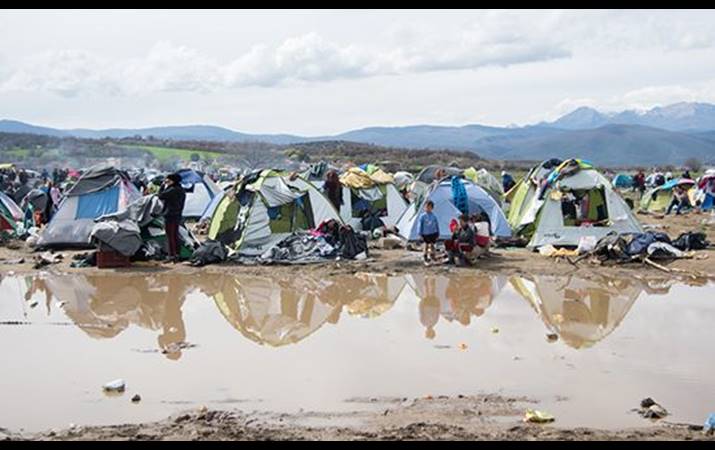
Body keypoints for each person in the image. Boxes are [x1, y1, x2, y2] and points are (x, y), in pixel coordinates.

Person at [158, 173, 186, 262]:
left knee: (170, 236)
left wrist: (162, 185)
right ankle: (177, 254)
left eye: (168, 180)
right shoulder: (180, 189)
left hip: (170, 215)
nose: (166, 181)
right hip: (177, 215)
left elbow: (160, 195)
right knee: (175, 235)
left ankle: (172, 256)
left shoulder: (173, 190)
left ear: (173, 181)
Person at [417, 200, 440, 265]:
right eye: (426, 207)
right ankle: (425, 256)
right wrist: (419, 233)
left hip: (433, 232)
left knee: (432, 245)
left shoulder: (434, 216)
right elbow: (420, 225)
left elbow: (436, 224)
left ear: (432, 208)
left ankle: (433, 256)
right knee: (426, 245)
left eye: (429, 207)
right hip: (425, 233)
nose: (428, 209)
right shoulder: (422, 216)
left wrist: (438, 232)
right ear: (424, 207)